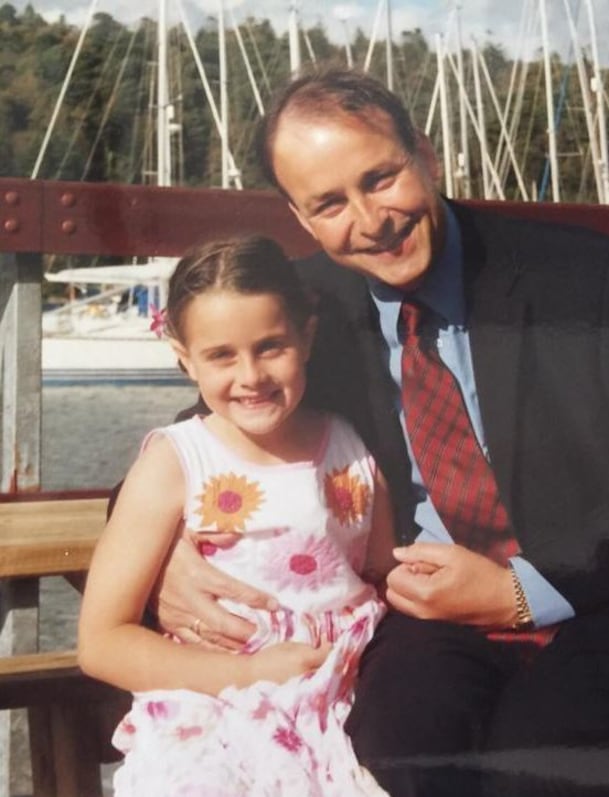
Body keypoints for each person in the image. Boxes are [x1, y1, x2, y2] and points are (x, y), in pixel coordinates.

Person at [153, 69, 609, 796]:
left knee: (542, 758)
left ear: (426, 156)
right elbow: (207, 431)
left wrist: (521, 591)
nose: (369, 220)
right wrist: (163, 548)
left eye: (381, 177)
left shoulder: (587, 279)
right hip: (432, 617)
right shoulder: (310, 311)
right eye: (330, 204)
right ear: (302, 220)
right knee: (395, 749)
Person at [78, 236, 394, 796]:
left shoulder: (351, 448)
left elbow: (378, 578)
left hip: (340, 686)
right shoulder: (174, 462)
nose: (250, 375)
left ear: (308, 335)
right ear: (183, 357)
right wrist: (246, 675)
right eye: (221, 355)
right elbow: (102, 641)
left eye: (271, 346)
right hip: (216, 699)